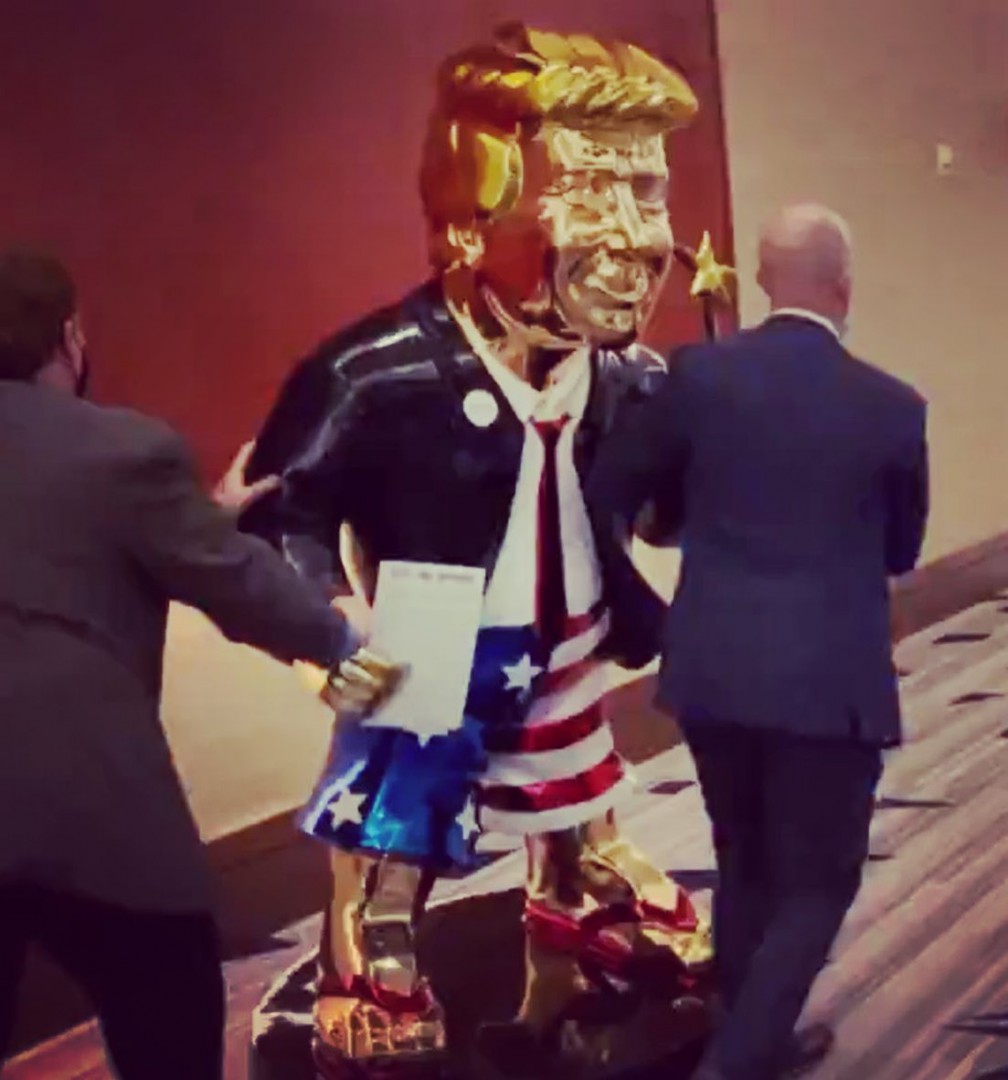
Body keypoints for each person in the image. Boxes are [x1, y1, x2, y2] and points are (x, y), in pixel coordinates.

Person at [239, 23, 716, 1076]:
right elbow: (278, 512)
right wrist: (328, 628)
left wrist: (723, 449)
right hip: (429, 638)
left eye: (647, 193)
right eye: (591, 192)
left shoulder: (629, 379)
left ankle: (574, 878)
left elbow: (663, 516)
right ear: (473, 212)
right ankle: (372, 936)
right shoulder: (375, 374)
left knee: (574, 760)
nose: (638, 238)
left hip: (572, 639)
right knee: (402, 793)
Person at [0, 249, 398, 1080]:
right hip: (87, 804)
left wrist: (200, 521)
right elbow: (240, 587)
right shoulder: (118, 451)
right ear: (68, 337)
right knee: (166, 1016)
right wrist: (351, 649)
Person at [587, 203, 929, 1080]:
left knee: (742, 858)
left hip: (713, 669)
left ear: (766, 280)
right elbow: (900, 550)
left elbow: (611, 490)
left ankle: (759, 1042)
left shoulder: (697, 376)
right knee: (819, 882)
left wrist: (645, 596)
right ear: (843, 287)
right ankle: (735, 1063)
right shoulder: (892, 407)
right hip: (828, 683)